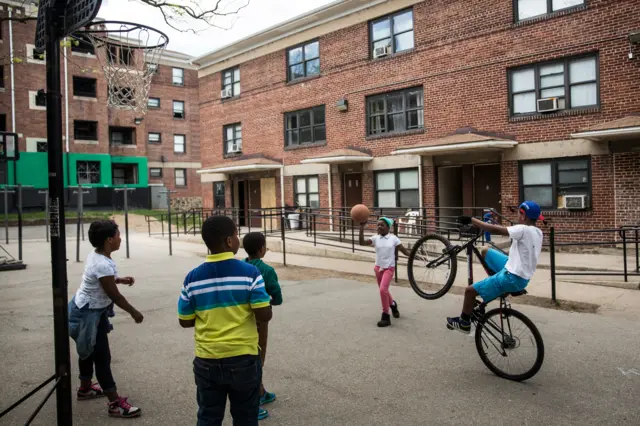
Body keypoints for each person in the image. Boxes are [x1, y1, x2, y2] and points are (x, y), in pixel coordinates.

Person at [179, 216, 273, 425]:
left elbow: (185, 320)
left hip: (206, 360)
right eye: (236, 235)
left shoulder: (192, 278)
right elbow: (263, 315)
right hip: (243, 358)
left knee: (208, 416)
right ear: (229, 241)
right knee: (246, 417)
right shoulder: (250, 272)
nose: (239, 239)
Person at [68, 220, 143, 418]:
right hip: (87, 314)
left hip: (86, 309)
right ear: (109, 239)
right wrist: (134, 312)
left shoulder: (98, 256)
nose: (121, 238)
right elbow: (115, 296)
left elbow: (104, 280)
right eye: (118, 235)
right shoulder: (102, 263)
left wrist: (119, 279)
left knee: (89, 353)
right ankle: (115, 404)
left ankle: (85, 389)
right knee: (102, 358)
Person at [446, 201, 544, 334]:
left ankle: (464, 323)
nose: (516, 215)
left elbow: (494, 229)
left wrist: (472, 220)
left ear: (523, 215)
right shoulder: (538, 232)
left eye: (518, 213)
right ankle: (495, 287)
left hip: (511, 277)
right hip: (519, 273)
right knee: (486, 251)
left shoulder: (522, 229)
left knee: (469, 291)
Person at [243, 232, 283, 415]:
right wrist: (270, 301)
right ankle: (253, 401)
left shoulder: (241, 267)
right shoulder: (267, 270)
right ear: (262, 249)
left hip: (242, 319)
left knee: (249, 354)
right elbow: (278, 297)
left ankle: (261, 391)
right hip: (260, 318)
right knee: (258, 357)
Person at [359, 217, 412, 327]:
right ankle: (393, 305)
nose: (379, 227)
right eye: (378, 225)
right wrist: (361, 228)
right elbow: (362, 243)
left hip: (389, 268)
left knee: (383, 290)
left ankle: (385, 316)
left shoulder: (394, 239)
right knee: (384, 291)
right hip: (378, 269)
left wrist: (414, 255)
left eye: (382, 225)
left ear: (388, 227)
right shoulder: (375, 238)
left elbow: (404, 250)